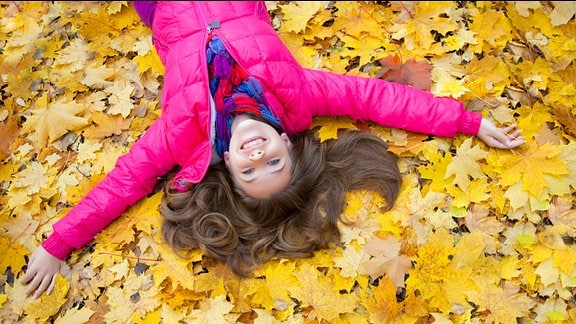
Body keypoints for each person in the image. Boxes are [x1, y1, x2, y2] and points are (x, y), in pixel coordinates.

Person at [20, 1, 525, 299]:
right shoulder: (297, 94)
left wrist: (56, 244)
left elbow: (123, 183)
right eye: (274, 162)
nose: (257, 152)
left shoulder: (183, 133)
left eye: (250, 169)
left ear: (228, 168)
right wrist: (466, 121)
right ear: (288, 143)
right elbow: (375, 99)